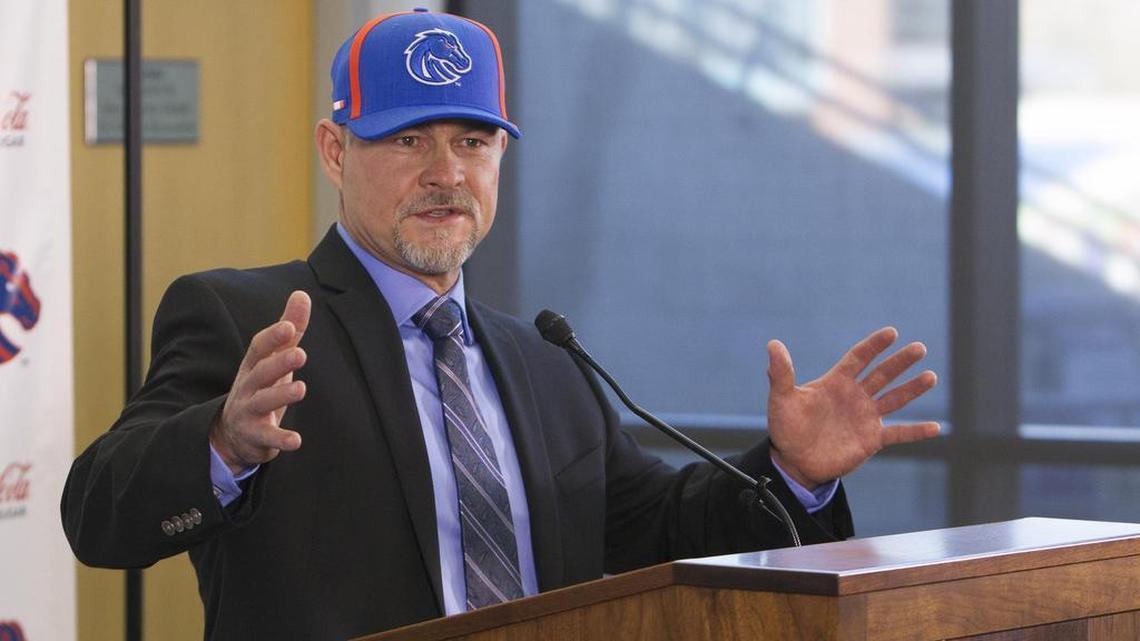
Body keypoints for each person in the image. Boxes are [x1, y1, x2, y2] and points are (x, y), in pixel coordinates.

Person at [62, 8, 939, 640]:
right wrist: (220, 442)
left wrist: (792, 473)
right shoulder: (246, 321)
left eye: (473, 142)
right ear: (336, 151)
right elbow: (98, 516)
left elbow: (664, 529)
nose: (446, 172)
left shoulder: (544, 360)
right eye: (408, 140)